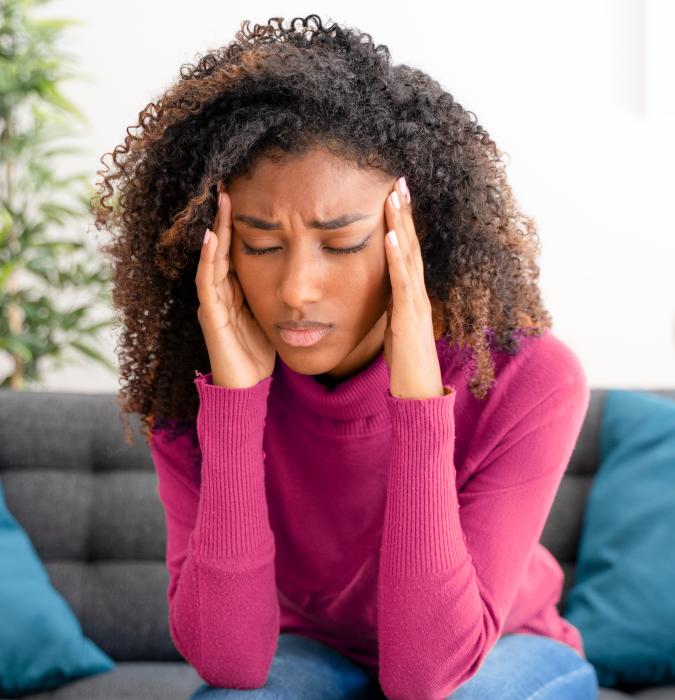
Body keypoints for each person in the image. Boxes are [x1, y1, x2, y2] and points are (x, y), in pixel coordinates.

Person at [92, 13, 599, 700]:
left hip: (504, 651)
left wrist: (418, 402)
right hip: (319, 654)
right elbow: (232, 664)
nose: (297, 289)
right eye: (263, 246)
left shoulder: (529, 377)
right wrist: (235, 413)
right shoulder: (188, 390)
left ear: (417, 239)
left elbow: (427, 674)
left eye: (341, 244)